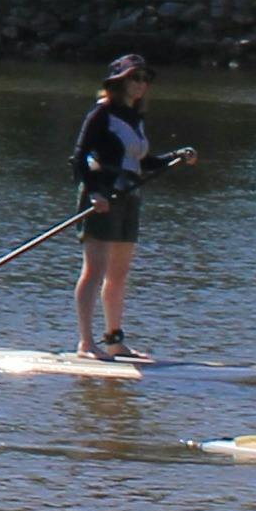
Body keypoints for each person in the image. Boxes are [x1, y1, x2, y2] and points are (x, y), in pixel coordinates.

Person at [67, 55, 194, 357]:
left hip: (128, 197)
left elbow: (143, 162)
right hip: (101, 198)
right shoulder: (102, 114)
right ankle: (86, 343)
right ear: (118, 81)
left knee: (119, 274)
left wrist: (177, 156)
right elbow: (78, 158)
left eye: (144, 79)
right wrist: (95, 193)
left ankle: (114, 341)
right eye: (134, 78)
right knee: (94, 270)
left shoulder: (135, 118)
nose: (141, 85)